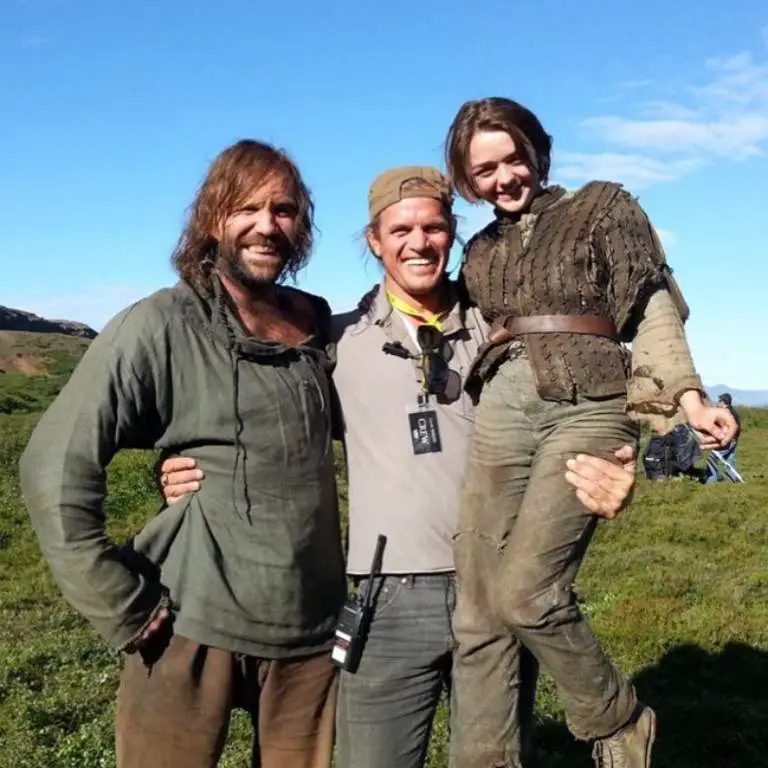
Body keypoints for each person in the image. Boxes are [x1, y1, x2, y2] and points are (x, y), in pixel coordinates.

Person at [160, 165, 639, 768]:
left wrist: (618, 464)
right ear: (374, 241)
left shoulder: (501, 331)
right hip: (386, 599)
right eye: (401, 229)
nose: (419, 242)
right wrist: (178, 463)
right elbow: (263, 420)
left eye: (434, 227)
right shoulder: (335, 341)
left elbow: (579, 408)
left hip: (489, 588)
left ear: (452, 233)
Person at [18, 140, 346, 768]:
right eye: (245, 208)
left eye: (283, 209)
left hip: (309, 630)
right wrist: (119, 601)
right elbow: (55, 463)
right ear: (211, 219)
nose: (265, 225)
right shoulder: (162, 323)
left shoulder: (312, 323)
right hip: (190, 621)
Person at [443, 97, 739, 767]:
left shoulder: (602, 208)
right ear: (467, 179)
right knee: (479, 610)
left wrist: (689, 399)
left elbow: (651, 305)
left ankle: (618, 720)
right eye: (484, 170)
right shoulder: (481, 249)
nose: (504, 178)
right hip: (502, 409)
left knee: (527, 592)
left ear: (537, 152)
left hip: (588, 399)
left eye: (513, 158)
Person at [706, 393, 742, 483]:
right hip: (733, 440)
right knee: (730, 459)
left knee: (712, 458)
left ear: (725, 403)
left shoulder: (725, 413)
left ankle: (711, 481)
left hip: (728, 440)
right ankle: (732, 480)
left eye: (720, 401)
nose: (718, 402)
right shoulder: (732, 411)